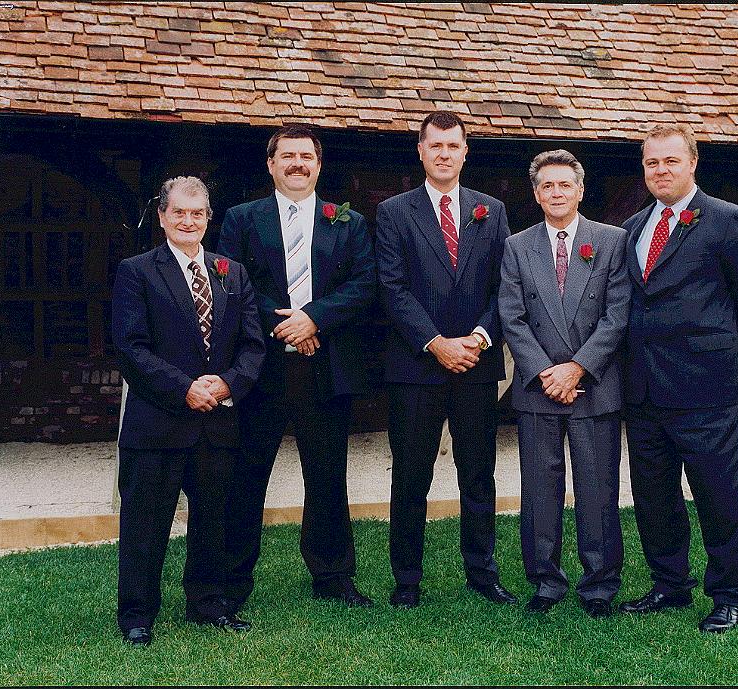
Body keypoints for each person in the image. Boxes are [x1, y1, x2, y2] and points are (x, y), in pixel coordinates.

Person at [619, 123, 738, 633]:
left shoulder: (728, 221)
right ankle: (670, 584)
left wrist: (717, 357)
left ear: (692, 164)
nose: (660, 171)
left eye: (670, 161)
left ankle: (730, 595)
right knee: (654, 498)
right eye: (651, 163)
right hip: (643, 390)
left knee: (718, 498)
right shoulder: (635, 226)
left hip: (706, 389)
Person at [217, 124, 376, 610]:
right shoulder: (242, 219)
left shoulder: (346, 221)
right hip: (261, 368)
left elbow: (365, 284)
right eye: (287, 155)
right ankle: (230, 580)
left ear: (319, 164)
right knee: (247, 475)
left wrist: (315, 321)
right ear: (270, 164)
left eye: (306, 155)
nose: (297, 164)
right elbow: (230, 281)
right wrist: (286, 326)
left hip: (325, 366)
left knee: (327, 477)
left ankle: (333, 576)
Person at [112, 176, 265, 646]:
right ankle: (137, 614)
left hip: (217, 423)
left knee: (213, 520)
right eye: (178, 212)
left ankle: (207, 603)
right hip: (158, 423)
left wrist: (226, 384)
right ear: (161, 217)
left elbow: (253, 344)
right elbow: (131, 348)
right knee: (145, 524)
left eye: (197, 214)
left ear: (208, 219)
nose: (188, 221)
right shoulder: (136, 271)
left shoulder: (230, 272)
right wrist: (185, 390)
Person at [375, 111, 516, 608]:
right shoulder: (394, 211)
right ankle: (407, 580)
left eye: (452, 146)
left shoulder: (491, 210)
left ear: (464, 152)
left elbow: (505, 285)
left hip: (477, 364)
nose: (443, 154)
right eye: (434, 145)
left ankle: (482, 573)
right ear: (420, 150)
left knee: (477, 473)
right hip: (416, 367)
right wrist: (435, 343)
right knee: (412, 475)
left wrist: (478, 338)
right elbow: (391, 288)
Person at [499, 150, 630, 617]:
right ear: (536, 195)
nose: (556, 193)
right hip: (538, 390)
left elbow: (617, 317)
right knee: (540, 488)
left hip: (594, 386)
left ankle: (599, 583)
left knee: (597, 488)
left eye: (564, 185)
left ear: (580, 190)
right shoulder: (517, 246)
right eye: (547, 186)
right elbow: (512, 318)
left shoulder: (611, 241)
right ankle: (545, 580)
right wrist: (544, 373)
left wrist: (576, 368)